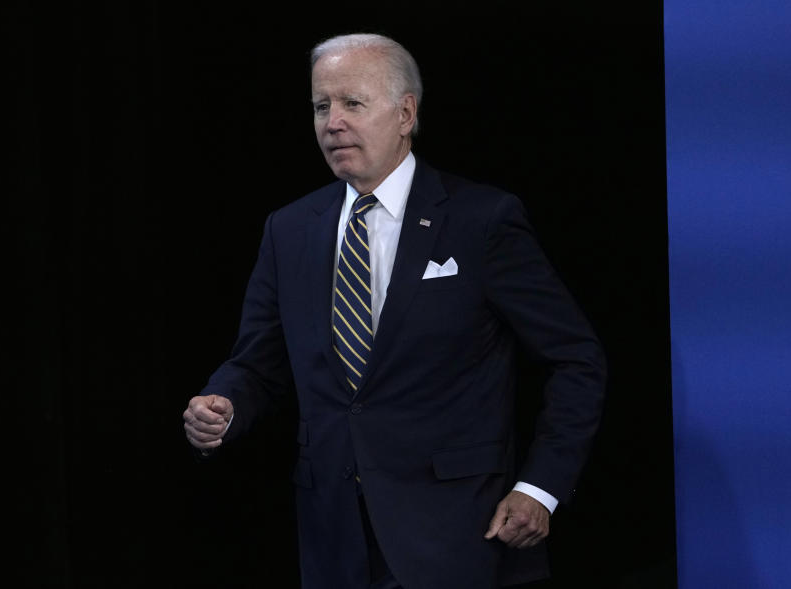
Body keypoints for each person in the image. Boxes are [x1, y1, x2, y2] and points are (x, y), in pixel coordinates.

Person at [183, 33, 606, 589]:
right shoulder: (288, 230)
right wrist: (224, 404)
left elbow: (576, 359)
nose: (332, 122)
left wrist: (540, 488)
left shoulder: (481, 221)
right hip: (334, 538)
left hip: (461, 535)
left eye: (352, 103)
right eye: (320, 106)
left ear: (405, 113)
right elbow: (257, 363)